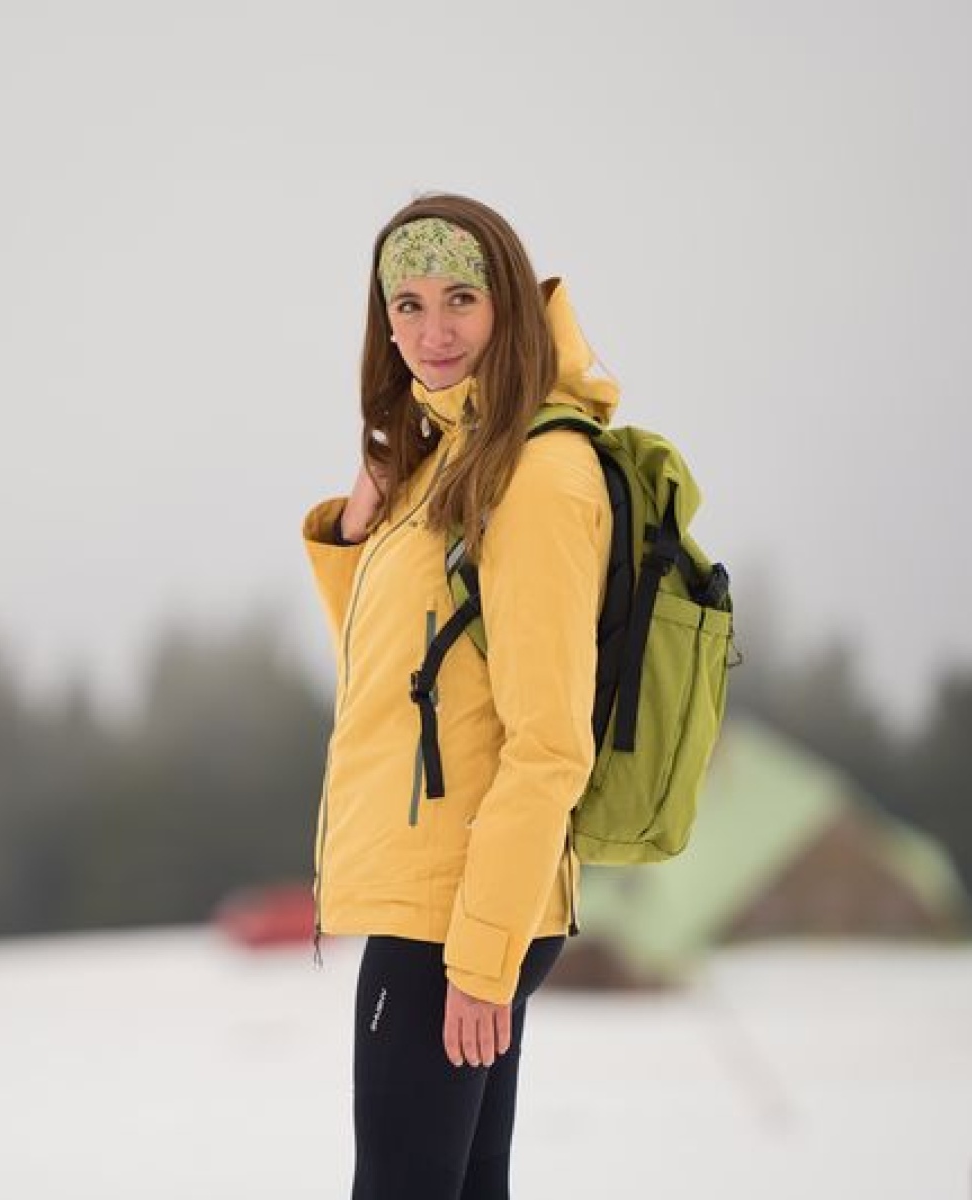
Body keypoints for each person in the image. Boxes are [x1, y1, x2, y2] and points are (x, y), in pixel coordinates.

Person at [301, 193, 619, 1199]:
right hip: (454, 899)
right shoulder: (454, 460)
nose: (430, 332)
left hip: (457, 912)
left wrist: (480, 958)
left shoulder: (534, 475)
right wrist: (359, 533)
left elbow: (548, 742)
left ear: (508, 305)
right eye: (407, 304)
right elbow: (401, 680)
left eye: (459, 300)